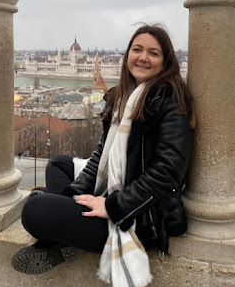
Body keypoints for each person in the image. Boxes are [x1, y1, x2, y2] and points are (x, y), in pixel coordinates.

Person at [11, 24, 195, 287]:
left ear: (165, 61)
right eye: (137, 49)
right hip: (115, 191)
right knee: (57, 166)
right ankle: (67, 236)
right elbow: (100, 156)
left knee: (34, 209)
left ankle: (61, 239)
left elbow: (168, 171)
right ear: (128, 54)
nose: (143, 57)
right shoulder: (122, 97)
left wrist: (112, 206)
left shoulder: (171, 98)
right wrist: (72, 198)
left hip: (141, 215)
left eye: (153, 53)